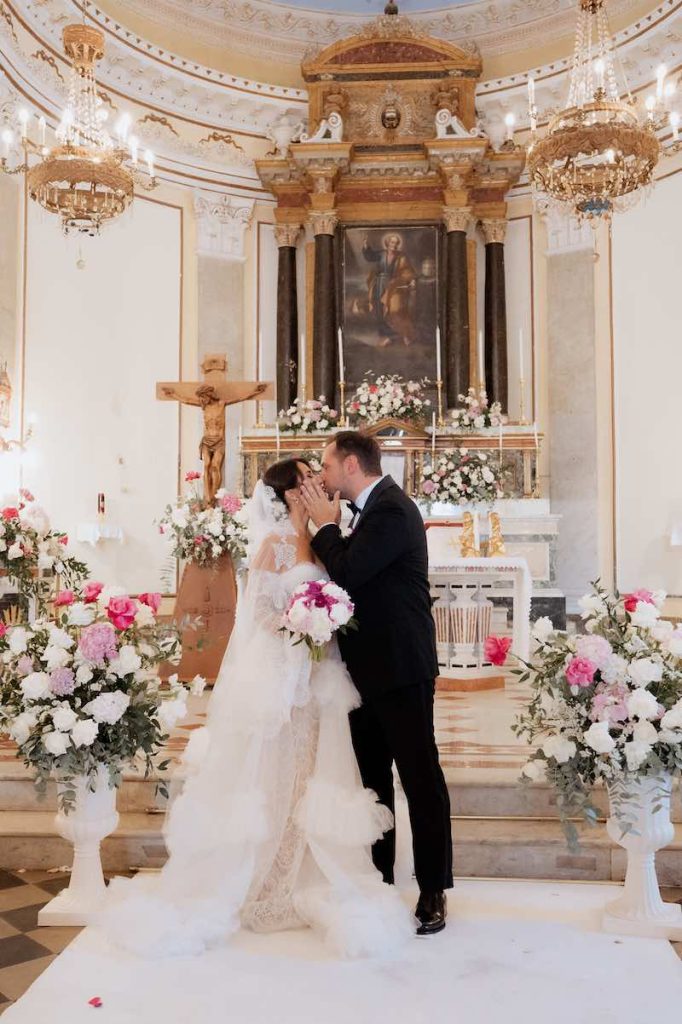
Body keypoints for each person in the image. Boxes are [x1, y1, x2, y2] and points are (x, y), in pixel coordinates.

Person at [101, 458, 412, 958]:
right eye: (310, 478)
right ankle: (268, 877)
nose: (319, 483)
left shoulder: (329, 538)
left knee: (315, 769)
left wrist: (323, 623)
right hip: (283, 676)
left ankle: (306, 867)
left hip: (321, 678)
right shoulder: (275, 546)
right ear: (291, 495)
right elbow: (261, 613)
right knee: (277, 770)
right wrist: (305, 623)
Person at [301, 431, 453, 936]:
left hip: (402, 668)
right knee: (373, 782)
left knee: (420, 778)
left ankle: (433, 889)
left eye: (325, 465)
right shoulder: (368, 510)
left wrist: (324, 527)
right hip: (365, 671)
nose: (322, 476)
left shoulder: (391, 508)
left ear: (349, 464)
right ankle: (381, 880)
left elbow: (348, 572)